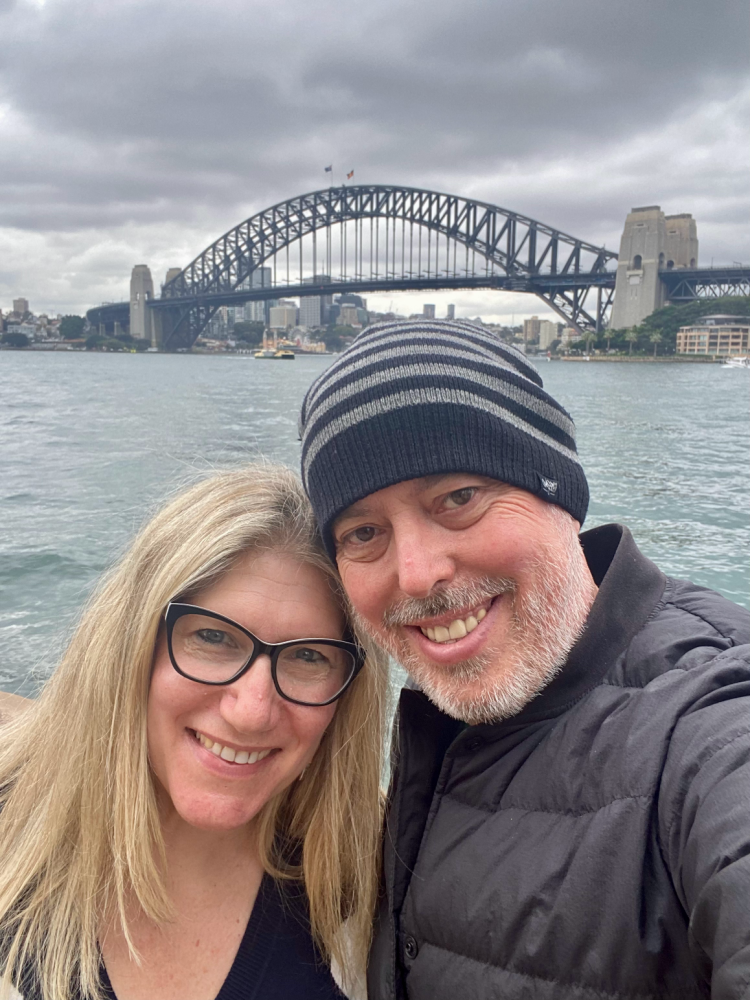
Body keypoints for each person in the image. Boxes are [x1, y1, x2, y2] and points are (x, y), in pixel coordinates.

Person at [298, 318, 750, 1000]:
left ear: (560, 493)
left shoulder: (710, 722)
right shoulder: (434, 736)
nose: (416, 575)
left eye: (459, 498)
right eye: (364, 532)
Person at [0, 465, 388, 1000]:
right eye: (212, 637)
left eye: (308, 656)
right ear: (130, 642)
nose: (252, 712)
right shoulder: (13, 832)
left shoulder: (359, 880)